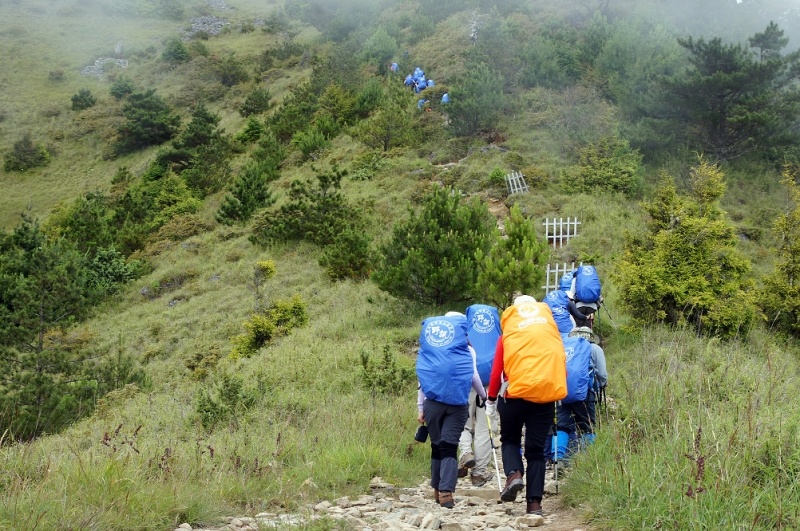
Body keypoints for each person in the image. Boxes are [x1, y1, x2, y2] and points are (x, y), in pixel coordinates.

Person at [486, 295, 567, 516]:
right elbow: (560, 363)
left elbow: (496, 372)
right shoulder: (550, 332)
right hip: (543, 398)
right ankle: (534, 505)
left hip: (512, 396)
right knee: (536, 452)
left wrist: (491, 398)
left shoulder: (508, 335)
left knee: (510, 439)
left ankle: (514, 474)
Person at [417, 312, 487, 509]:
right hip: (457, 404)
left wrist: (420, 408)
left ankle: (437, 488)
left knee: (437, 445)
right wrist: (484, 396)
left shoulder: (430, 349)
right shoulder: (468, 350)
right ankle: (446, 491)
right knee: (449, 445)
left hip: (432, 403)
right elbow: (473, 376)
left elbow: (422, 380)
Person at [458, 304, 502, 486]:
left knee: (464, 424)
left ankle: (466, 453)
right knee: (485, 428)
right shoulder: (498, 330)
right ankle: (479, 473)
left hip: (467, 382)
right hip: (490, 385)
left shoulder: (464, 330)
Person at [555, 326, 608, 461]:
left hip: (563, 391)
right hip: (585, 392)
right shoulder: (594, 348)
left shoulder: (564, 347)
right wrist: (603, 383)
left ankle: (559, 458)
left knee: (562, 426)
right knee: (587, 427)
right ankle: (587, 460)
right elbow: (602, 374)